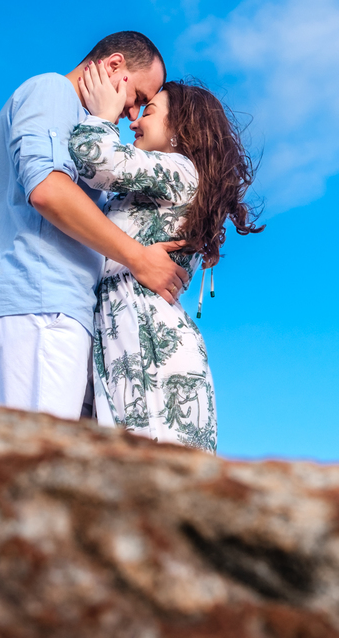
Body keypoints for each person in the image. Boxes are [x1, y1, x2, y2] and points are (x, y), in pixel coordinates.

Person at [0, 32, 190, 419]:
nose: (132, 115)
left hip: (51, 303)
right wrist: (139, 259)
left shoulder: (77, 118)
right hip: (41, 298)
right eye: (135, 97)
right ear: (114, 65)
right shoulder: (52, 92)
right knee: (40, 457)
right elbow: (48, 190)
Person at [68, 63, 263, 452]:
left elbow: (94, 157)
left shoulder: (179, 170)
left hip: (150, 349)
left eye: (149, 111)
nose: (136, 120)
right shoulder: (160, 182)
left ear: (179, 131)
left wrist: (104, 115)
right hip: (136, 338)